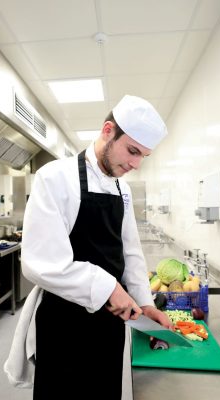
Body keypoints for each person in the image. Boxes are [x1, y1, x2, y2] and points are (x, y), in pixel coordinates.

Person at [21, 95, 172, 400]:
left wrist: (145, 303)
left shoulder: (122, 188)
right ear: (107, 131)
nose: (135, 164)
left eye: (143, 156)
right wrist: (107, 287)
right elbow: (40, 263)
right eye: (132, 151)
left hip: (109, 324)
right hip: (64, 323)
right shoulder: (54, 177)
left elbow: (130, 251)